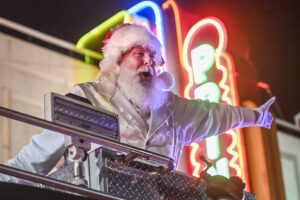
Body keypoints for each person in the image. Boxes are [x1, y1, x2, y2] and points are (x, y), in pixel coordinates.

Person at [1, 24, 275, 182]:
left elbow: (218, 114)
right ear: (118, 62)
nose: (149, 61)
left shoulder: (174, 109)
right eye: (140, 53)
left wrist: (256, 117)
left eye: (154, 57)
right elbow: (34, 159)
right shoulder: (87, 97)